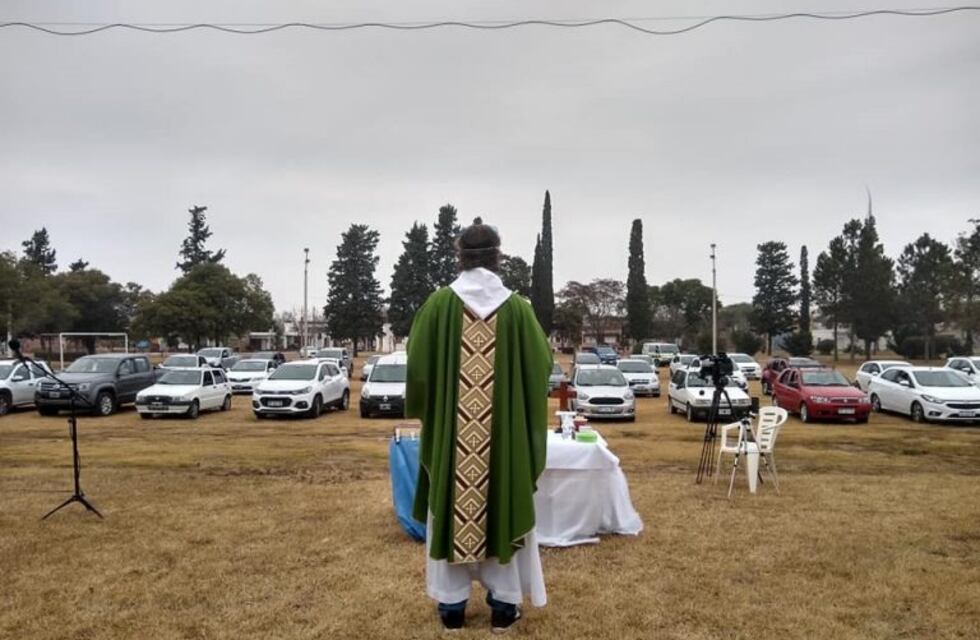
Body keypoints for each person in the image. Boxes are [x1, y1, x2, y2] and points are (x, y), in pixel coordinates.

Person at [406, 217, 552, 633]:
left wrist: (440, 406)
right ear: (498, 257)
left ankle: (451, 609)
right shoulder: (519, 312)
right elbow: (540, 369)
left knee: (450, 508)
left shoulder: (438, 306)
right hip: (502, 443)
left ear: (460, 258)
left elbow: (417, 372)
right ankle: (504, 608)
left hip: (453, 441)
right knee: (502, 502)